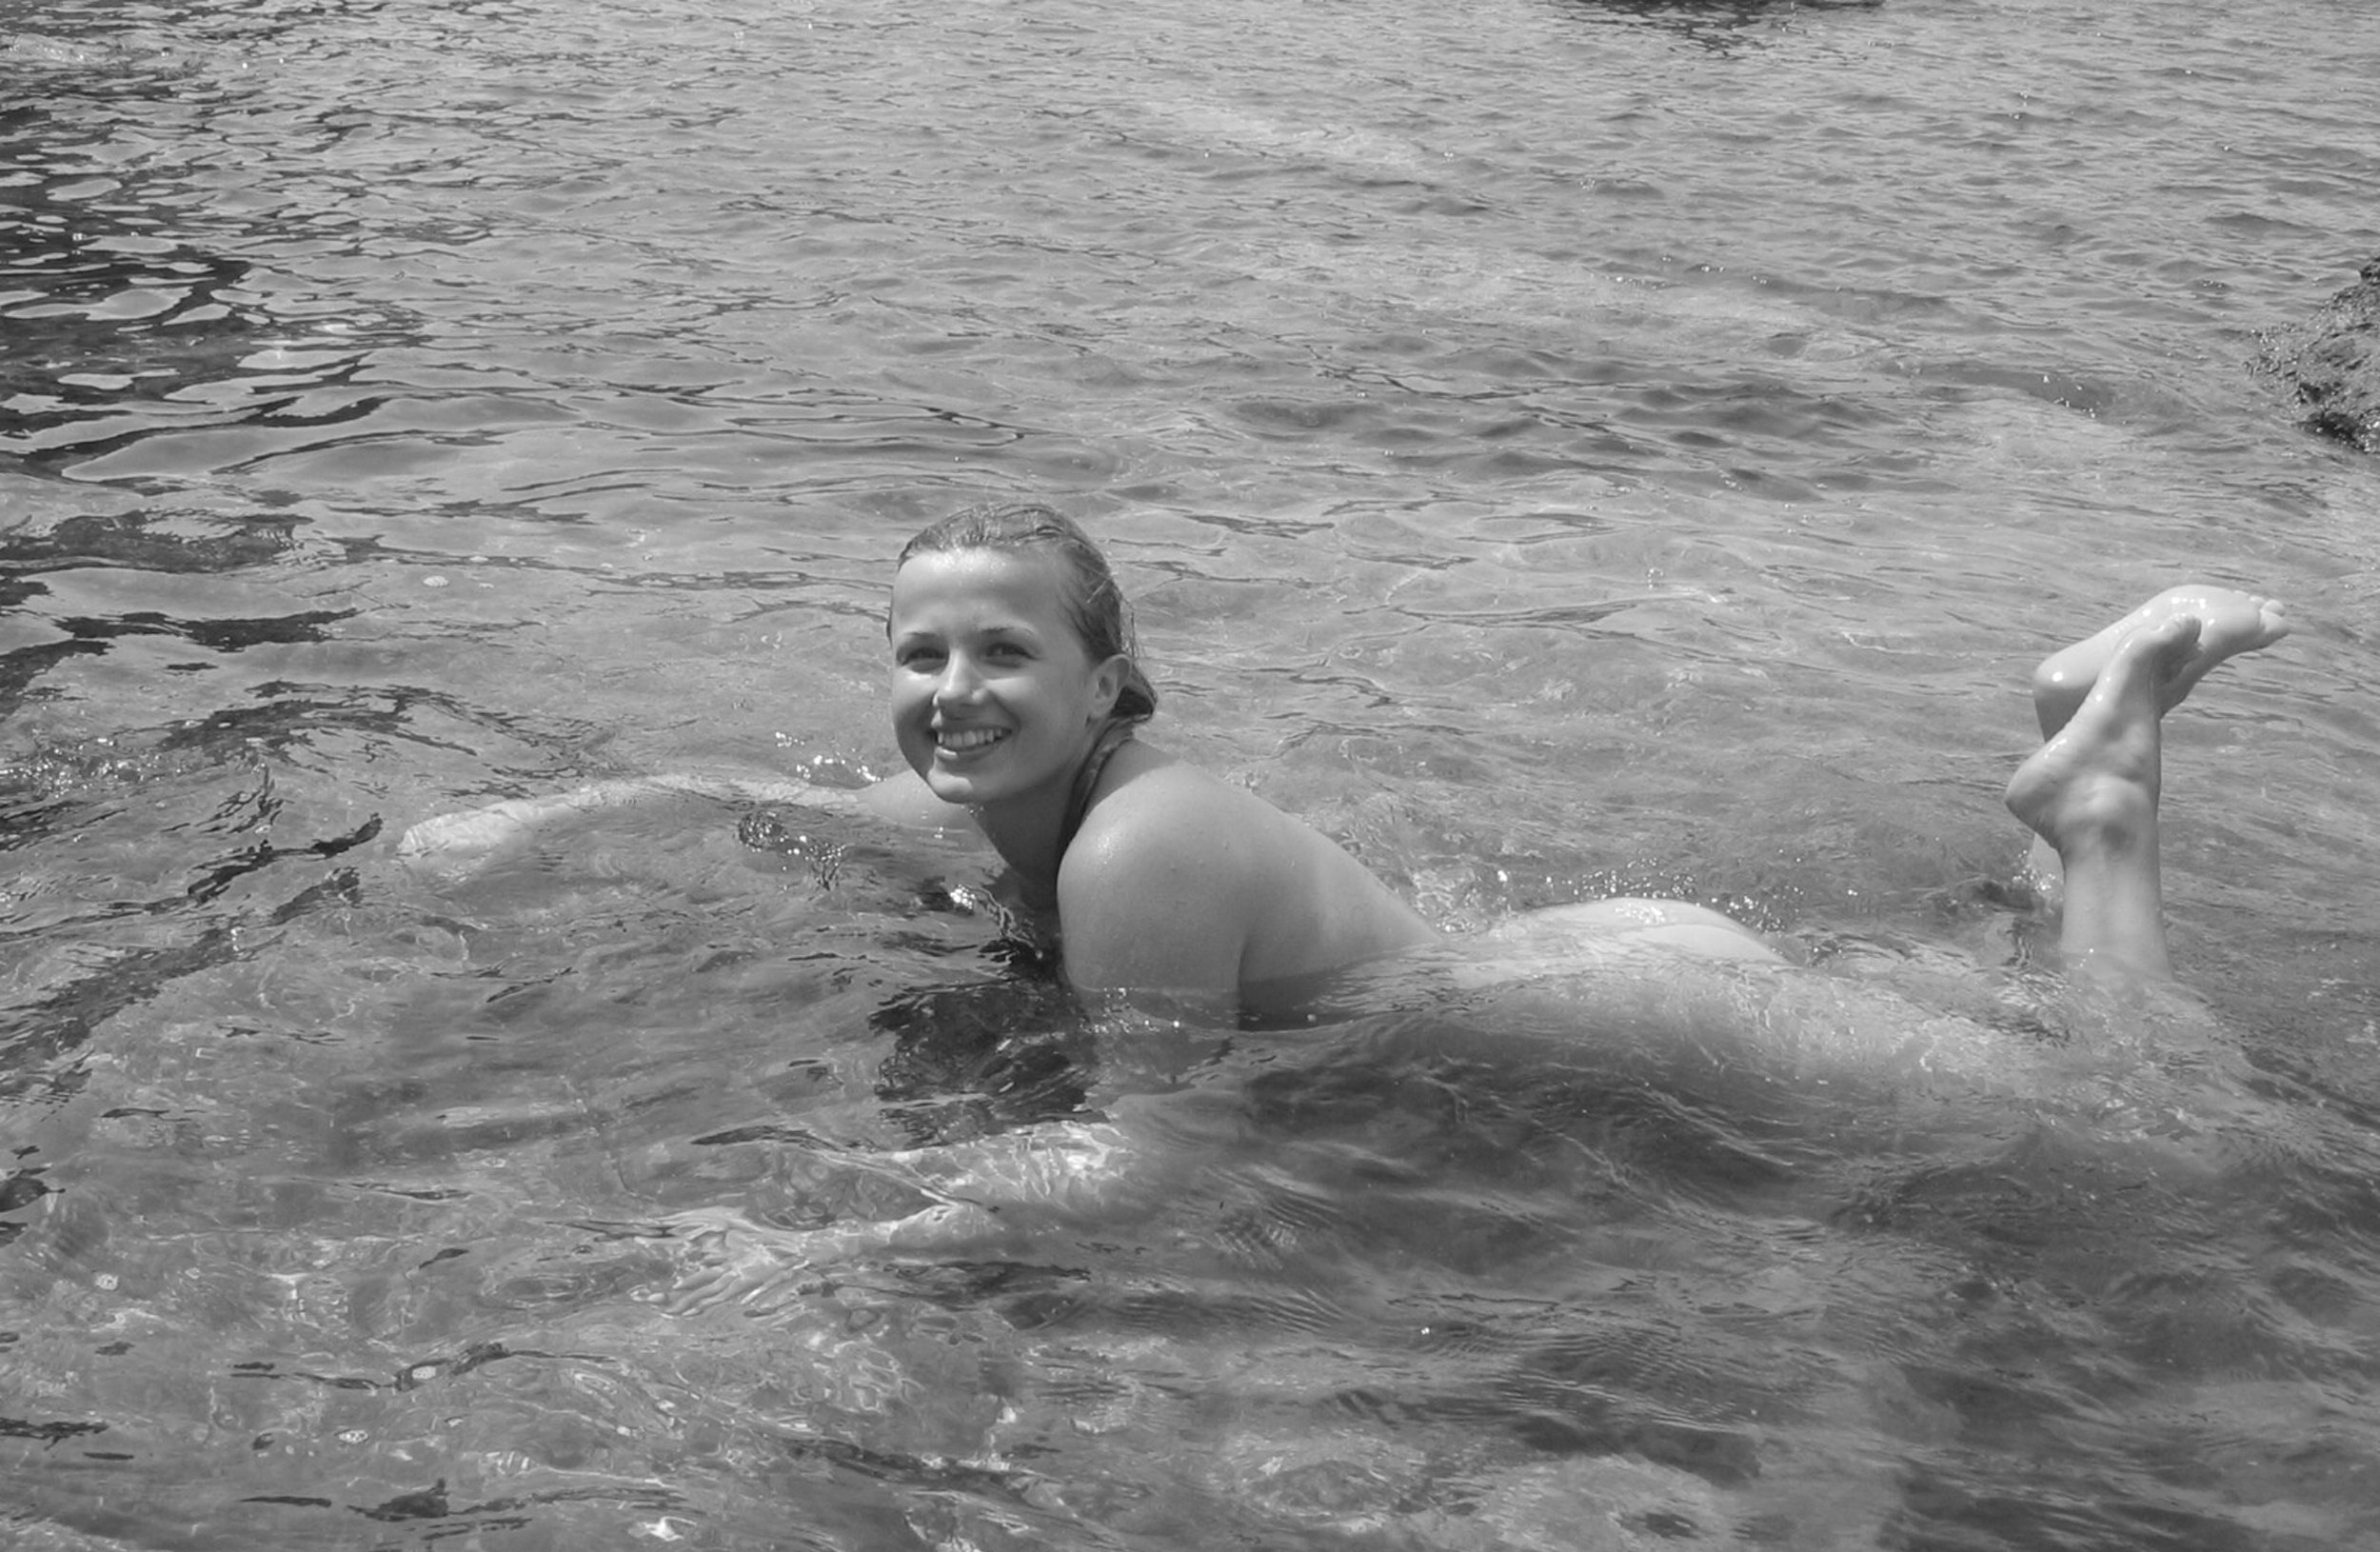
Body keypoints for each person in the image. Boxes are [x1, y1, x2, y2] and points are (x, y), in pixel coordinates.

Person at [398, 503, 2287, 1026]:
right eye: (919, 654)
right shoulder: (989, 804)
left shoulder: (1133, 851)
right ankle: (2073, 774)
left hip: (1637, 1011)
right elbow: (754, 801)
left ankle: (2102, 796)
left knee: (2128, 1118)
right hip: (1590, 955)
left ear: (1108, 679)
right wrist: (541, 817)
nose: (951, 689)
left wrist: (830, 1243)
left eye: (1002, 651)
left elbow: (1153, 1164)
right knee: (2014, 1010)